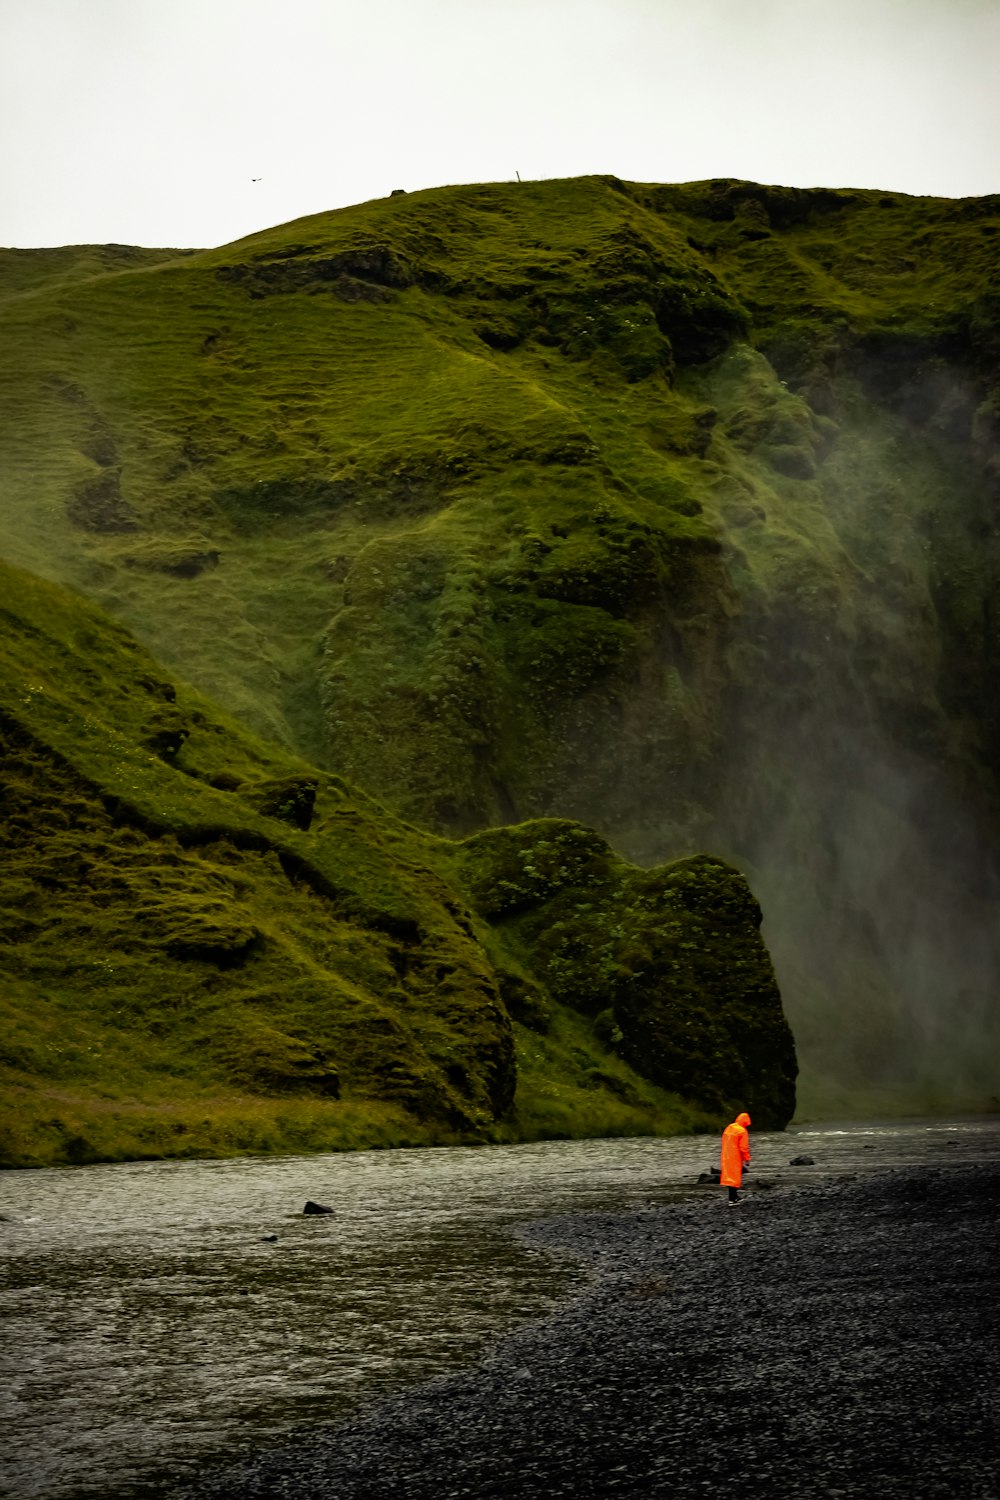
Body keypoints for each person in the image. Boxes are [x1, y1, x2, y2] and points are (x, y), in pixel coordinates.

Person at [720, 1111, 751, 1204]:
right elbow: (743, 1147)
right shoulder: (742, 1131)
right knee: (735, 1177)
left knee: (729, 1176)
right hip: (735, 1156)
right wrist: (747, 1159)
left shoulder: (729, 1127)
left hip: (725, 1155)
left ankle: (733, 1197)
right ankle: (733, 1198)